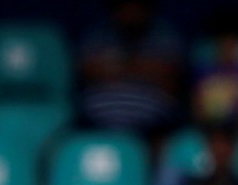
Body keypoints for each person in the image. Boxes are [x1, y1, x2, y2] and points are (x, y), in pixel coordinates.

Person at [78, 0, 186, 139]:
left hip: (152, 125)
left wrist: (116, 67)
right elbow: (90, 70)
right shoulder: (98, 34)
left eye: (135, 8)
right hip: (98, 121)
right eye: (126, 7)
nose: (131, 13)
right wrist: (144, 69)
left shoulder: (165, 35)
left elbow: (170, 74)